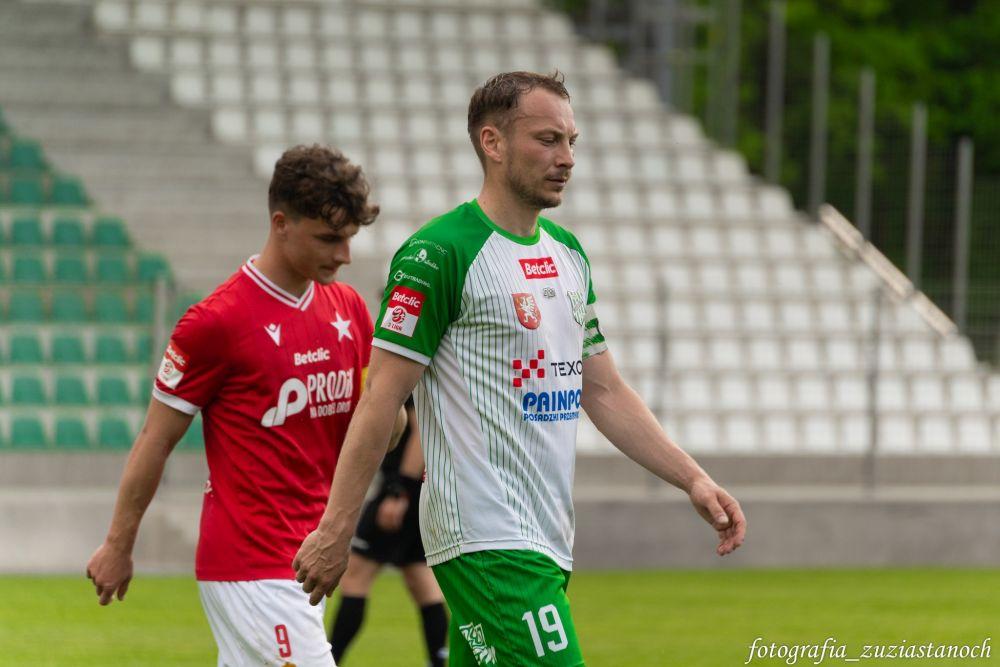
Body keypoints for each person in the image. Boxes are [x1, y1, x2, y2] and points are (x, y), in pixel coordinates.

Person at [292, 72, 747, 665]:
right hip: (486, 539)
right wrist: (336, 530)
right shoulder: (439, 254)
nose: (567, 159)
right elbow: (381, 397)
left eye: (572, 142)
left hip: (547, 539)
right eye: (548, 140)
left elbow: (603, 389)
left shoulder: (567, 254)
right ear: (493, 142)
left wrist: (693, 478)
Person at [85, 145, 399, 666]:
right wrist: (119, 544)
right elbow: (155, 440)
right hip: (251, 562)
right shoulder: (215, 323)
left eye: (349, 238)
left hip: (312, 556)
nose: (345, 255)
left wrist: (396, 401)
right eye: (329, 237)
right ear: (281, 223)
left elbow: (378, 430)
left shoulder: (349, 309)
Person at [328, 397, 448, 666]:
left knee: (355, 577)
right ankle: (439, 660)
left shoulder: (406, 364)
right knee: (421, 579)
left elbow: (421, 431)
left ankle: (329, 660)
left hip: (401, 491)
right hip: (418, 491)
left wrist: (399, 490)